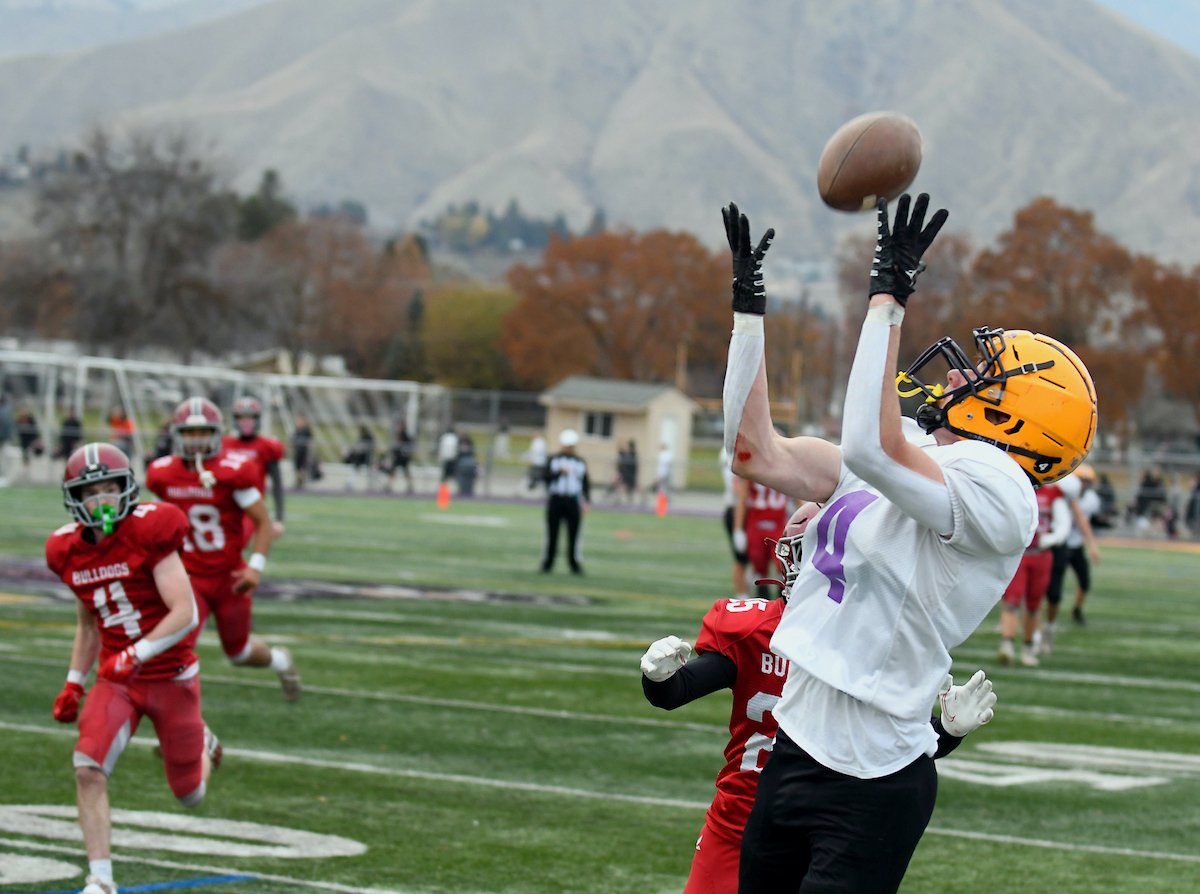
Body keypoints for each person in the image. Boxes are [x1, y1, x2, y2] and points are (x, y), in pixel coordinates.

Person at [719, 195, 1096, 892]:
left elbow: (869, 444)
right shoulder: (922, 453)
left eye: (984, 376)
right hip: (797, 739)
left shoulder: (998, 488)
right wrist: (749, 314)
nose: (958, 375)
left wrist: (888, 296)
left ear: (1024, 415)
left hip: (871, 777)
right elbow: (754, 454)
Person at [640, 503, 997, 894]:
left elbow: (891, 749)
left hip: (831, 820)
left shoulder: (874, 638)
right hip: (740, 820)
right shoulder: (754, 629)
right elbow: (676, 692)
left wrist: (945, 731)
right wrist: (658, 678)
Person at [46, 442, 221, 894]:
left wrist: (136, 654)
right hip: (117, 681)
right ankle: (101, 881)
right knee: (87, 767)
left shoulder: (152, 529)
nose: (102, 500)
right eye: (91, 491)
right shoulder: (65, 549)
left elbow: (185, 612)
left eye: (110, 488)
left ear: (128, 488)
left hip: (171, 677)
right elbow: (88, 622)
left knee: (190, 794)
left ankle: (203, 743)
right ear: (74, 498)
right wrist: (72, 682)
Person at [146, 397, 300, 702]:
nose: (196, 440)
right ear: (178, 435)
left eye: (203, 432)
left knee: (238, 653)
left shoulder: (233, 471)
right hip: (189, 577)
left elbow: (263, 522)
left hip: (229, 577)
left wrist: (255, 566)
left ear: (216, 433)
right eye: (190, 433)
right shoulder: (162, 473)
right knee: (177, 648)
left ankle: (280, 661)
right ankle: (185, 730)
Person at [997, 478, 1071, 667]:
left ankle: (1028, 647)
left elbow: (1063, 524)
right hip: (1019, 552)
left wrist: (1052, 538)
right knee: (1012, 600)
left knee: (1034, 604)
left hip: (1041, 554)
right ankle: (1007, 644)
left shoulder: (1054, 494)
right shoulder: (1015, 487)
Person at [1044, 464, 1102, 639]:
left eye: (1087, 482)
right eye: (1081, 481)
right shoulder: (1061, 494)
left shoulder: (1091, 499)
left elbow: (1086, 522)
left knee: (1085, 582)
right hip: (1057, 544)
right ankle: (1043, 620)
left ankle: (1076, 610)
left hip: (1076, 545)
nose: (1084, 485)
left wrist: (1092, 545)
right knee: (1051, 588)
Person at [222, 396, 286, 538]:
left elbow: (277, 484)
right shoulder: (224, 444)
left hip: (251, 506)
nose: (246, 422)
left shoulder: (267, 447)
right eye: (242, 417)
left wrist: (279, 519)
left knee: (239, 540)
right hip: (224, 504)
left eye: (250, 417)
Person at [539, 429, 590, 575]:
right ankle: (548, 563)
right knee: (552, 533)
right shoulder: (553, 460)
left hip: (573, 501)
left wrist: (586, 500)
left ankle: (574, 563)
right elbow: (545, 478)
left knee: (574, 534)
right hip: (556, 499)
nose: (569, 449)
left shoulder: (580, 462)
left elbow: (585, 482)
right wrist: (559, 473)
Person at [732, 474, 790, 600]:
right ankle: (763, 599)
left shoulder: (786, 470)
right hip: (756, 524)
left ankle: (783, 600)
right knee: (758, 565)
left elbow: (799, 498)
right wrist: (738, 530)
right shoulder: (753, 470)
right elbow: (742, 499)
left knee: (782, 565)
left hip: (777, 524)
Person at [720, 447, 750, 597]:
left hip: (751, 510)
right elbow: (738, 487)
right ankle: (742, 598)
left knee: (757, 559)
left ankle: (749, 595)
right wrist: (738, 529)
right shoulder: (731, 450)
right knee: (741, 560)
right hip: (737, 509)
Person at [386, 421, 415, 494]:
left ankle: (410, 486)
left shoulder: (406, 437)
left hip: (404, 458)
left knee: (406, 472)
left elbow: (409, 447)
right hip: (398, 457)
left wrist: (407, 455)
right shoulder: (398, 436)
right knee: (393, 471)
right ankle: (389, 485)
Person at [16, 406, 43, 471]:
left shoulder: (31, 419)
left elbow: (35, 429)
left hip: (30, 439)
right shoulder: (19, 419)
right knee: (24, 453)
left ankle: (29, 468)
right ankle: (25, 467)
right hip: (23, 440)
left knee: (29, 453)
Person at [292, 414, 314, 488]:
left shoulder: (306, 430)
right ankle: (298, 481)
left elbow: (310, 439)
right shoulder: (297, 429)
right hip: (298, 451)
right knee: (297, 466)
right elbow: (294, 438)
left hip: (303, 451)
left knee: (302, 467)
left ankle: (301, 481)